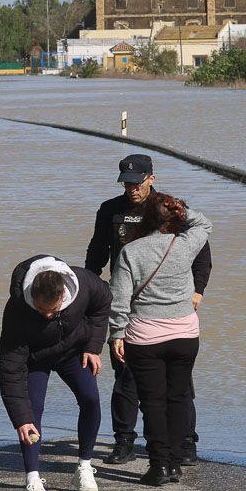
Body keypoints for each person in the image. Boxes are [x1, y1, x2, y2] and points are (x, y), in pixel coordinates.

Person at [85, 153, 213, 466]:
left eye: (137, 182)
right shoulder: (111, 210)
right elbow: (96, 254)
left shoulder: (170, 209)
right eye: (126, 183)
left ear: (151, 178)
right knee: (126, 377)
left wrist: (197, 291)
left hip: (172, 307)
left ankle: (185, 445)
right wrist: (92, 291)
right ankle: (124, 442)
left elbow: (202, 255)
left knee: (178, 385)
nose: (132, 188)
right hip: (127, 302)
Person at [108, 193, 213, 486]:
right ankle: (176, 462)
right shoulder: (185, 245)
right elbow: (205, 225)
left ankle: (159, 466)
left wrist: (117, 332)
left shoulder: (132, 250)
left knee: (152, 402)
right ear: (175, 218)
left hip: (145, 336)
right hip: (184, 334)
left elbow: (119, 297)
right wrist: (185, 210)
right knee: (178, 397)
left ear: (146, 219)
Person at [0, 255, 112, 491]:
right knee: (31, 414)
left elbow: (103, 301)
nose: (48, 315)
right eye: (41, 311)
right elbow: (10, 367)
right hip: (35, 360)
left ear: (64, 295)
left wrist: (93, 346)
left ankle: (84, 467)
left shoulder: (82, 283)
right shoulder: (17, 311)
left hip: (72, 352)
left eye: (53, 309)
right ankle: (33, 478)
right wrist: (20, 418)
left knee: (90, 399)